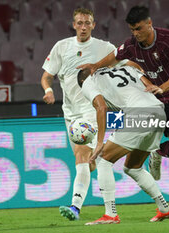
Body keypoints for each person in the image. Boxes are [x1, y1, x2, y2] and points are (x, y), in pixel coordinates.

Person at [78, 6, 169, 214]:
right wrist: (95, 65)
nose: (135, 34)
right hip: (161, 103)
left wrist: (162, 86)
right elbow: (114, 57)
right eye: (132, 30)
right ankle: (157, 156)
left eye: (138, 29)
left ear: (149, 24)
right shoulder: (129, 50)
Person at [41, 7, 120, 221]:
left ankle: (75, 207)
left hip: (92, 109)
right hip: (70, 112)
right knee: (90, 162)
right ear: (73, 24)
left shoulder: (104, 48)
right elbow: (46, 77)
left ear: (94, 25)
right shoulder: (62, 47)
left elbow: (122, 65)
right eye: (79, 23)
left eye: (87, 23)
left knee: (81, 155)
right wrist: (48, 90)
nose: (83, 27)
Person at [77, 66, 169, 225]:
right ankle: (165, 209)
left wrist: (99, 142)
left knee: (103, 159)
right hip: (158, 111)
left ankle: (110, 214)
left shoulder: (89, 80)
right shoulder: (125, 69)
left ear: (82, 82)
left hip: (139, 113)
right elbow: (148, 85)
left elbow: (101, 107)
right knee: (132, 167)